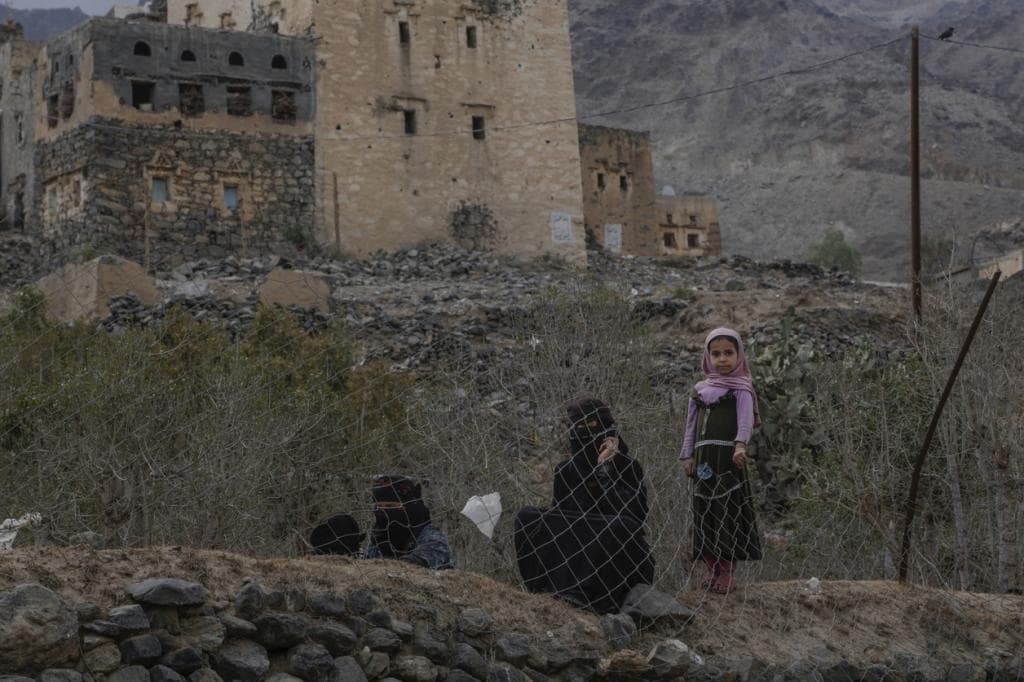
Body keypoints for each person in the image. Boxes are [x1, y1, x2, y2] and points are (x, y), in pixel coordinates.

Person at [514, 398, 654, 614]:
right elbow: (560, 519)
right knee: (527, 516)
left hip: (617, 551)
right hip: (575, 547)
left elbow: (633, 518)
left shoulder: (627, 466)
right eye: (578, 426)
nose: (583, 431)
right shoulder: (566, 470)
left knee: (619, 525)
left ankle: (594, 595)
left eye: (591, 425)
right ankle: (543, 588)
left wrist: (604, 469)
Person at [679, 327, 763, 594]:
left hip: (727, 459)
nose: (722, 359)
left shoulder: (741, 388)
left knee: (727, 511)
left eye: (728, 353)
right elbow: (690, 426)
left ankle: (727, 572)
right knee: (705, 511)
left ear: (739, 355)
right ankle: (711, 568)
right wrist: (687, 455)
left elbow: (745, 420)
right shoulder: (700, 391)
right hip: (703, 461)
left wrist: (740, 445)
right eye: (716, 354)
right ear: (708, 356)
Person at [363, 474, 455, 570]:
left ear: (409, 507)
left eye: (390, 506)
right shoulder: (379, 539)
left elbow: (419, 562)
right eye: (379, 507)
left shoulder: (432, 539)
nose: (383, 511)